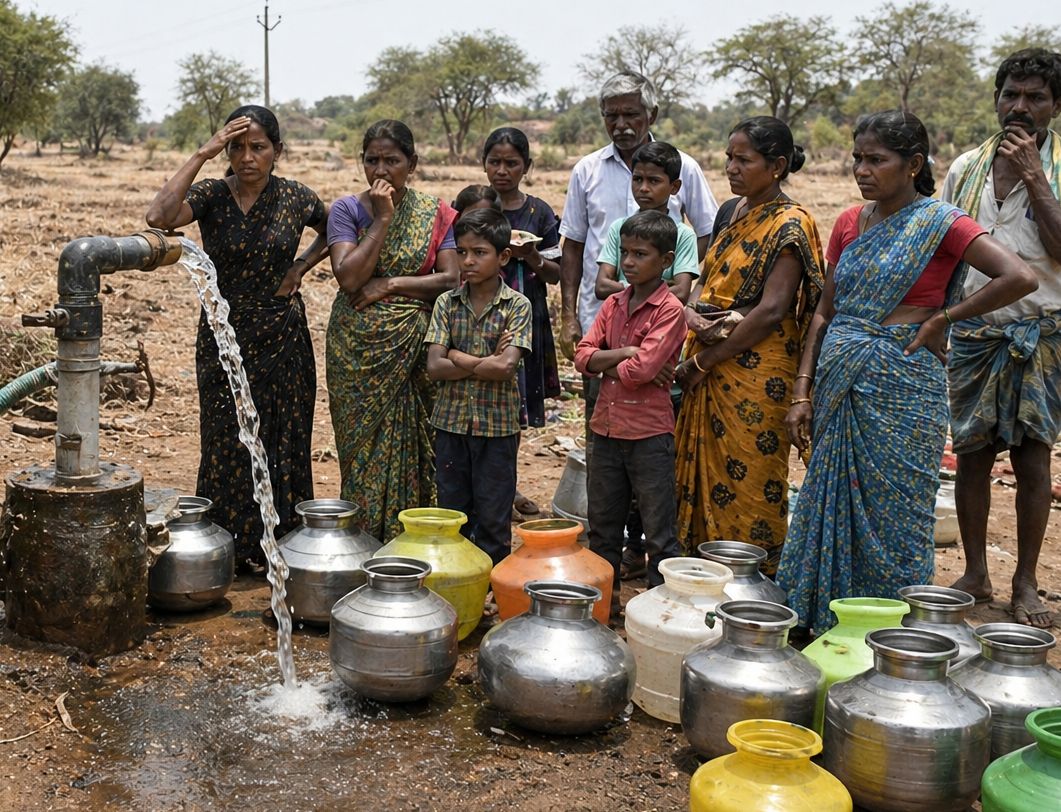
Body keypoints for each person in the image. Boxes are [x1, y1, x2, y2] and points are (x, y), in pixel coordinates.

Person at [776, 110, 1037, 634]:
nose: (861, 170)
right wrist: (803, 389)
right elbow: (824, 311)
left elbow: (1019, 276)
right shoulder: (849, 222)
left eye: (876, 160)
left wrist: (944, 318)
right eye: (858, 159)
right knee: (829, 499)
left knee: (898, 514)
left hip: (905, 381)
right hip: (841, 377)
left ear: (913, 163)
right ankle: (824, 621)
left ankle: (891, 633)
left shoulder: (942, 222)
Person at [145, 105, 329, 570]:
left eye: (258, 147)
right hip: (223, 335)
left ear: (277, 150)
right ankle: (227, 546)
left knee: (283, 437)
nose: (247, 157)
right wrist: (202, 153)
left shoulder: (296, 198)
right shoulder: (212, 194)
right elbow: (159, 216)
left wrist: (301, 265)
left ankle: (282, 546)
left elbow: (337, 228)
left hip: (283, 336)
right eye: (237, 148)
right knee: (225, 438)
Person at [559, 72, 717, 579]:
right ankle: (618, 557)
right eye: (612, 115)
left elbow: (707, 235)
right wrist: (572, 317)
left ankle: (650, 563)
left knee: (651, 463)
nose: (622, 123)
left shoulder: (684, 167)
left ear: (651, 115)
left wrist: (679, 307)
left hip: (661, 341)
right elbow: (574, 246)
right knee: (606, 456)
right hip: (606, 325)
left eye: (631, 114)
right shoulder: (587, 170)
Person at [673, 117, 825, 572]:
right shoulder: (730, 212)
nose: (731, 168)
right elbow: (708, 279)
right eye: (729, 158)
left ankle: (754, 577)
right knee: (702, 467)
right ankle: (699, 569)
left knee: (752, 475)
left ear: (776, 166)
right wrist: (692, 313)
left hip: (757, 370)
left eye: (744, 160)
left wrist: (705, 361)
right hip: (709, 352)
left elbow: (773, 308)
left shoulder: (791, 223)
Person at [944, 48, 1061, 628]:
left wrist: (1037, 179)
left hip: (1040, 336)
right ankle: (975, 573)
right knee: (971, 457)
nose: (1020, 107)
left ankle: (1026, 581)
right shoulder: (966, 167)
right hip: (973, 334)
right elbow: (944, 249)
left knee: (1033, 459)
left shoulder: (1057, 169)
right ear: (996, 99)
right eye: (1011, 95)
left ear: (1055, 106)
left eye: (1035, 97)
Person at [326, 120, 459, 544]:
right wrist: (383, 218)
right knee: (361, 448)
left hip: (413, 347)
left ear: (412, 164)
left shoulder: (436, 213)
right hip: (356, 351)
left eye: (392, 160)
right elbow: (349, 277)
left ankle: (412, 541)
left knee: (419, 443)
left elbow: (450, 278)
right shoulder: (347, 210)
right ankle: (363, 542)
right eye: (372, 160)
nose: (380, 170)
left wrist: (390, 284)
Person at [574, 210, 688, 617]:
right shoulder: (613, 303)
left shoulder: (670, 310)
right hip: (606, 430)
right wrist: (624, 352)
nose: (628, 262)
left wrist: (607, 362)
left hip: (648, 435)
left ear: (666, 260)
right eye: (625, 252)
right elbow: (582, 356)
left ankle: (659, 618)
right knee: (603, 529)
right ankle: (604, 612)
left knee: (659, 534)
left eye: (640, 254)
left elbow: (640, 371)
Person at [425, 208, 532, 565]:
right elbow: (434, 367)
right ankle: (458, 583)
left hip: (497, 429)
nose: (468, 261)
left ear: (503, 257)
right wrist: (483, 360)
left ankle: (492, 587)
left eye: (480, 252)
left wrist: (457, 355)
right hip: (451, 425)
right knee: (453, 516)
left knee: (493, 519)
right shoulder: (447, 303)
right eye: (462, 251)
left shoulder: (517, 305)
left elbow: (505, 368)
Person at [481, 127, 563, 517]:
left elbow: (556, 273)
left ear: (526, 166)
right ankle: (492, 492)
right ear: (483, 163)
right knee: (484, 404)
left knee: (512, 409)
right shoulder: (477, 206)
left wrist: (530, 255)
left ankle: (505, 489)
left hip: (525, 316)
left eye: (511, 163)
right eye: (495, 162)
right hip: (479, 317)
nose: (502, 170)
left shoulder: (540, 212)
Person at [594, 140, 702, 305]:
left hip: (662, 318)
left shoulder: (683, 235)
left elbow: (681, 292)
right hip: (622, 316)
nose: (643, 188)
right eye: (637, 179)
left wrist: (622, 288)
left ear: (674, 187)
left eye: (653, 181)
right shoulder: (619, 227)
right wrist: (659, 288)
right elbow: (602, 287)